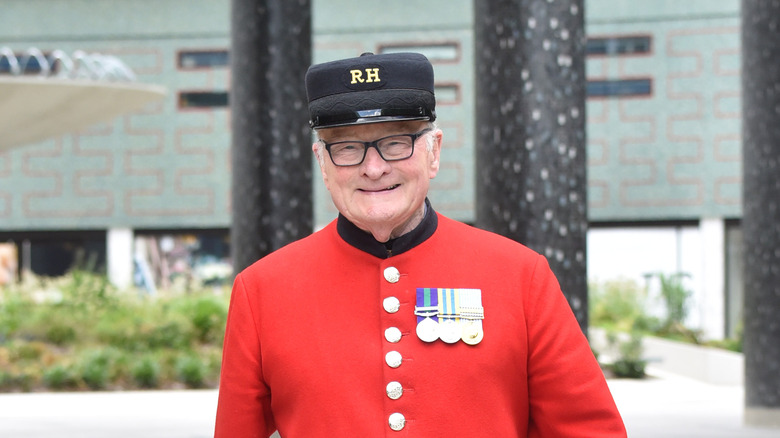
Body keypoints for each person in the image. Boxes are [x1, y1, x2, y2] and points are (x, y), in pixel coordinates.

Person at [214, 52, 626, 437]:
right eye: (347, 148)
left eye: (396, 142)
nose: (374, 168)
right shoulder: (262, 291)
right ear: (322, 163)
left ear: (434, 152)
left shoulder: (520, 276)